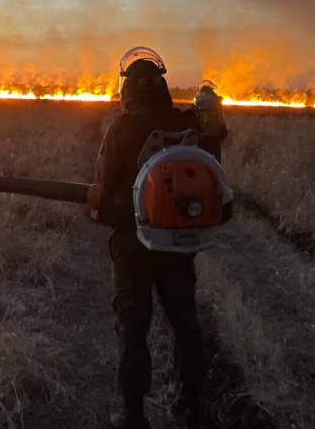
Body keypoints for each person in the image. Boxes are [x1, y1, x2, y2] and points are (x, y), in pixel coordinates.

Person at [95, 48, 214, 429]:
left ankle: (132, 413)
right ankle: (192, 402)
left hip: (132, 243)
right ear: (161, 86)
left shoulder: (121, 128)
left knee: (132, 325)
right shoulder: (188, 121)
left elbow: (105, 185)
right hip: (178, 242)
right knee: (185, 320)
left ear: (127, 89)